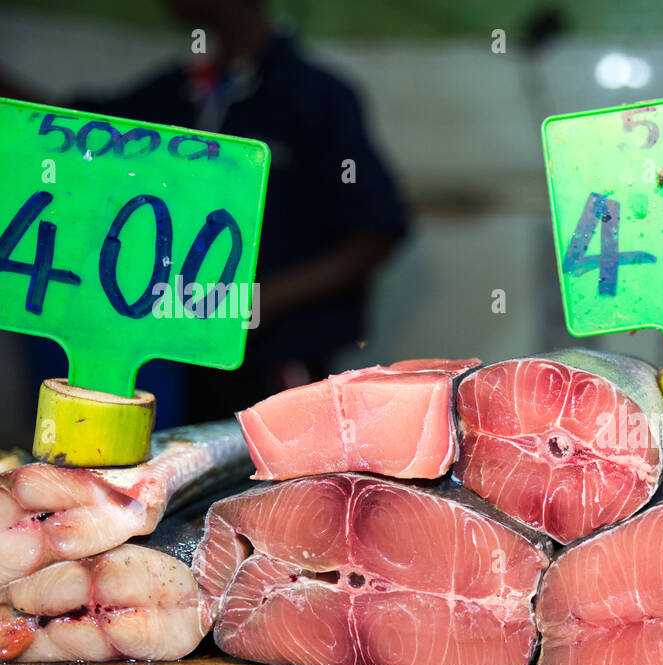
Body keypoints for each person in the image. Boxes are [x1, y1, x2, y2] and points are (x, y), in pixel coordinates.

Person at [1, 0, 407, 422]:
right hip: (183, 366)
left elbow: (375, 232)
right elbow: (77, 130)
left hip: (280, 368)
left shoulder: (318, 98)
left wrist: (258, 302)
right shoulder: (174, 94)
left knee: (280, 478)